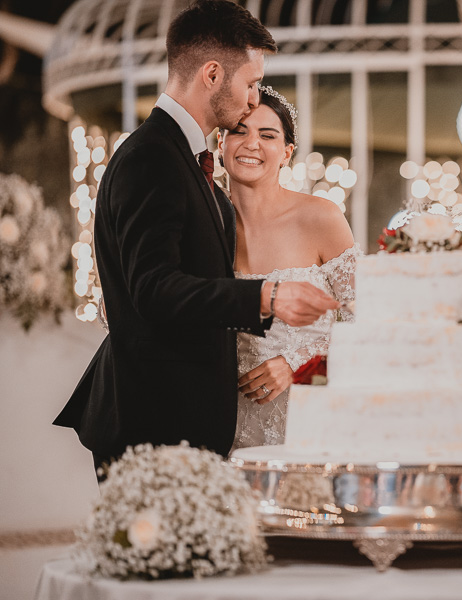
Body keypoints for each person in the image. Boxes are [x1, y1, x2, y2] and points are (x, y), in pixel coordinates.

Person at [53, 0, 340, 474]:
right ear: (212, 75)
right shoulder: (152, 158)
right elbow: (154, 288)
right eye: (249, 85)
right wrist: (266, 296)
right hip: (155, 423)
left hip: (185, 423)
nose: (253, 99)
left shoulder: (185, 160)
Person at [218, 86, 359, 450]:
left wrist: (295, 362)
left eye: (268, 135)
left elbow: (367, 320)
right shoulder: (206, 224)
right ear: (221, 143)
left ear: (286, 152)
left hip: (308, 417)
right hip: (224, 423)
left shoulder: (321, 217)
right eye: (239, 131)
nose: (252, 144)